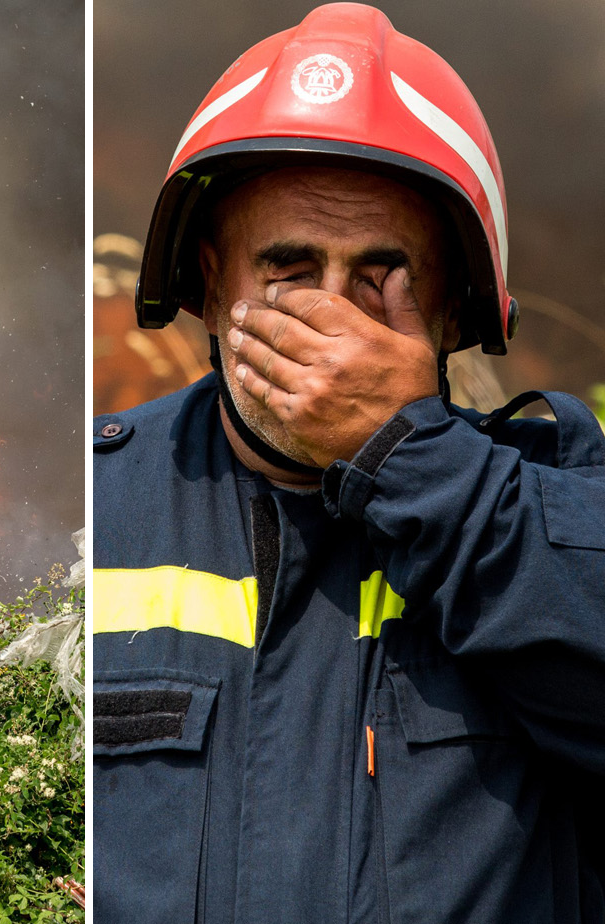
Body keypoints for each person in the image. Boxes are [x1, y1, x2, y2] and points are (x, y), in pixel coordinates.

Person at [95, 4, 605, 921]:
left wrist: (406, 451)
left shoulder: (560, 504)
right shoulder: (90, 507)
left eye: (380, 279)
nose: (332, 320)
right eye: (288, 271)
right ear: (208, 287)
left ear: (455, 315)